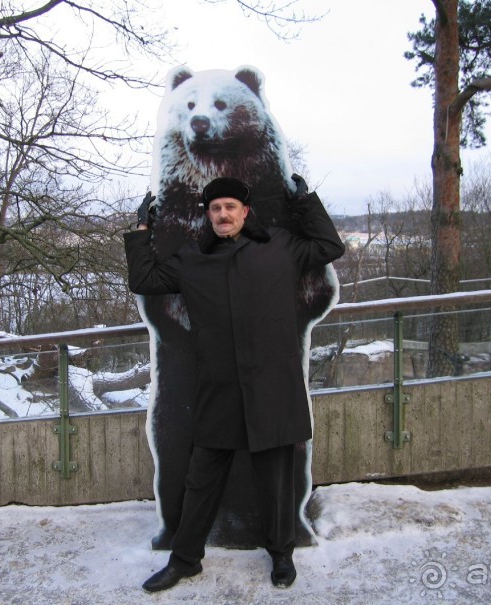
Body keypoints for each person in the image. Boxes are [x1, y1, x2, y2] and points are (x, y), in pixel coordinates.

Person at [124, 175, 345, 592]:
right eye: (215, 209)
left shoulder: (280, 245)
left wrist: (305, 203)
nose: (223, 215)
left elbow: (330, 247)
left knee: (276, 479)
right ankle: (185, 560)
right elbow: (145, 280)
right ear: (209, 216)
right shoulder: (193, 258)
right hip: (219, 387)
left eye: (230, 207)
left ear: (245, 212)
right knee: (201, 479)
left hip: (272, 385)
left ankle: (282, 555)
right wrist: (141, 232)